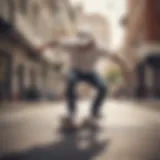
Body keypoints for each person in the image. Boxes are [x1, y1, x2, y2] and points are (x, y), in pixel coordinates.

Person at [37, 28, 128, 129]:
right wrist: (42, 47)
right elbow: (57, 42)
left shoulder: (100, 47)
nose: (81, 47)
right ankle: (71, 113)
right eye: (79, 45)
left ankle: (94, 112)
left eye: (84, 45)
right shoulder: (72, 43)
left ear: (91, 42)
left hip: (91, 72)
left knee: (103, 87)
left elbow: (114, 56)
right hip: (75, 70)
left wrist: (124, 65)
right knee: (70, 81)